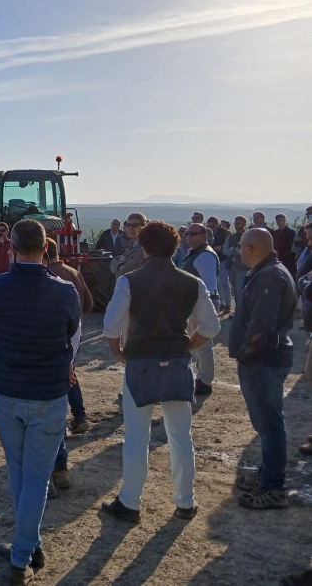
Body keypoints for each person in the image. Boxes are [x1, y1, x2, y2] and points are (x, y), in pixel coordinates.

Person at [101, 221, 220, 526]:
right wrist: (187, 349)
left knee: (137, 437)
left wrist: (120, 354)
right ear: (175, 246)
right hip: (177, 363)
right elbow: (211, 326)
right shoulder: (192, 282)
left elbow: (111, 327)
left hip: (140, 363)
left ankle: (130, 502)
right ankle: (185, 501)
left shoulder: (129, 281)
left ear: (143, 246)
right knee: (180, 436)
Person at [0, 220, 79, 585]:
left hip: (7, 390)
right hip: (49, 394)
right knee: (34, 476)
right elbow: (69, 332)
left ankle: (21, 554)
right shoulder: (65, 292)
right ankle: (28, 545)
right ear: (45, 248)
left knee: (19, 470)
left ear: (11, 249)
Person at [230, 228, 298, 510]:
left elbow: (262, 325)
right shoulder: (270, 270)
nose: (238, 252)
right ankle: (267, 473)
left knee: (270, 424)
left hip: (264, 360)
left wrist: (246, 354)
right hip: (267, 358)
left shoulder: (269, 275)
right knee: (268, 423)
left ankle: (274, 487)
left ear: (249, 248)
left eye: (240, 247)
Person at [45, 239, 93, 436]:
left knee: (60, 374)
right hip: (76, 328)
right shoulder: (73, 272)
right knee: (69, 369)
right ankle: (79, 417)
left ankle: (68, 418)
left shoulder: (47, 274)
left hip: (55, 330)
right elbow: (89, 304)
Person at [182, 223, 221, 396]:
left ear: (204, 236)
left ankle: (205, 381)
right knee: (198, 343)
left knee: (203, 344)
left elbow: (209, 286)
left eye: (194, 233)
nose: (189, 236)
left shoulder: (205, 255)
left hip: (202, 303)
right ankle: (202, 378)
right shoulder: (196, 253)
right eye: (188, 233)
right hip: (197, 303)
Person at [110, 213, 148, 277]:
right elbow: (112, 263)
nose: (130, 228)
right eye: (128, 225)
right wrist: (120, 266)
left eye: (134, 225)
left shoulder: (145, 249)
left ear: (143, 227)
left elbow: (125, 271)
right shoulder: (131, 247)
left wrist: (119, 266)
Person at [225, 215, 249, 314]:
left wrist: (239, 252)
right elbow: (225, 250)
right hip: (231, 266)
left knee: (240, 289)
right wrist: (233, 251)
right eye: (235, 223)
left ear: (244, 224)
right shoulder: (231, 237)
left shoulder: (248, 236)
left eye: (239, 223)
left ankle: (242, 311)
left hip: (243, 267)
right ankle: (238, 310)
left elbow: (248, 251)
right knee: (234, 290)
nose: (236, 225)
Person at [209, 217, 232, 315]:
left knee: (224, 282)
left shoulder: (226, 233)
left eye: (213, 226)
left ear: (217, 224)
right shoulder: (208, 233)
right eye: (209, 226)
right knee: (217, 283)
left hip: (223, 259)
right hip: (213, 259)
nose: (211, 228)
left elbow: (231, 245)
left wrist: (221, 247)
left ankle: (228, 304)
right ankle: (221, 303)